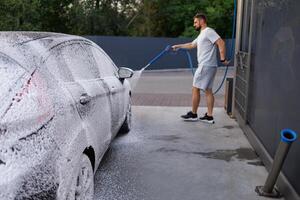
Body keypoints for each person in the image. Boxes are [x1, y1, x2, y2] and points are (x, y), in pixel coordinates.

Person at [172, 13, 229, 124]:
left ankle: (193, 114)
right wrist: (178, 46)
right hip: (209, 65)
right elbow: (192, 45)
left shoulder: (208, 31)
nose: (194, 25)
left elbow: (221, 43)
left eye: (195, 22)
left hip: (206, 65)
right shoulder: (202, 34)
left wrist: (222, 59)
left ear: (202, 21)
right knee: (208, 91)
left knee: (195, 88)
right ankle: (209, 116)